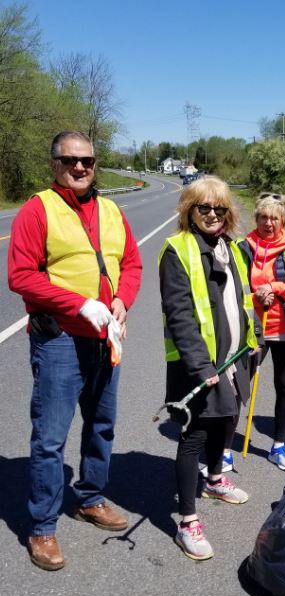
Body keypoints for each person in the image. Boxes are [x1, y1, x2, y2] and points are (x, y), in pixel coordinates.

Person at [7, 130, 143, 571]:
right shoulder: (37, 209)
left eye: (86, 160)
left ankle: (90, 498)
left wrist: (121, 300)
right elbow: (21, 276)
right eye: (70, 161)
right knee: (49, 439)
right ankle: (42, 527)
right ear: (55, 165)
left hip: (106, 337)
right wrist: (80, 303)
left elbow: (132, 264)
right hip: (59, 339)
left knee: (101, 424)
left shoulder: (110, 209)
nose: (80, 167)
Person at [158, 176, 258, 561]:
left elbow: (240, 301)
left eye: (220, 208)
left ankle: (214, 479)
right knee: (195, 435)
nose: (213, 214)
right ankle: (187, 520)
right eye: (204, 208)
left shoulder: (230, 248)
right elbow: (180, 314)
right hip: (200, 366)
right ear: (189, 210)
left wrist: (254, 340)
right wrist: (201, 365)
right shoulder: (177, 251)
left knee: (227, 419)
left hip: (235, 359)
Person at [236, 192, 285, 471]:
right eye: (263, 217)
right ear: (256, 217)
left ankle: (278, 446)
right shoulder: (243, 247)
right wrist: (257, 298)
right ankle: (223, 449)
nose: (268, 222)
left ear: (283, 220)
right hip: (252, 329)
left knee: (284, 385)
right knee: (238, 385)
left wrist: (276, 288)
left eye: (274, 218)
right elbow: (234, 290)